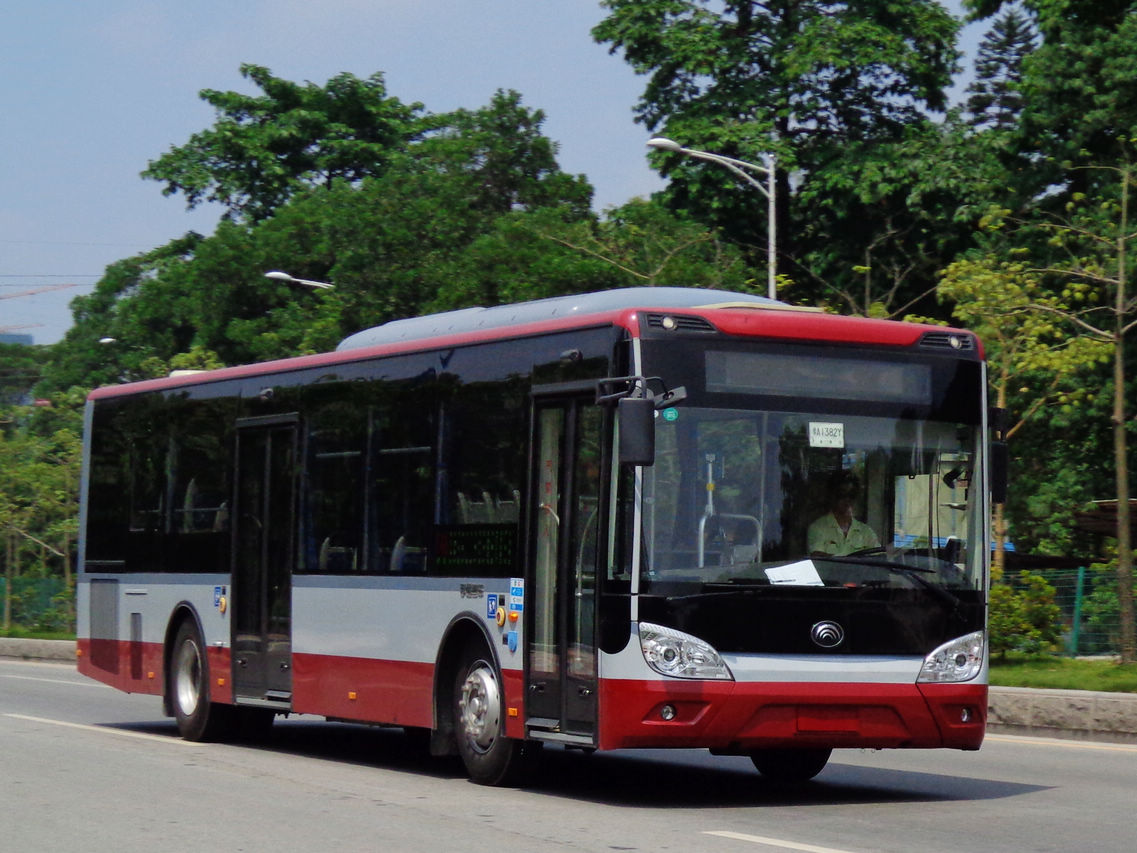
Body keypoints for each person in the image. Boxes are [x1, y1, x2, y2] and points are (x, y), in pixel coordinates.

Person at [807, 471, 880, 557]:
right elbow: (817, 557)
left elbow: (880, 557)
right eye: (841, 494)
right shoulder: (818, 528)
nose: (847, 499)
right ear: (831, 496)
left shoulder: (866, 532)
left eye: (851, 495)